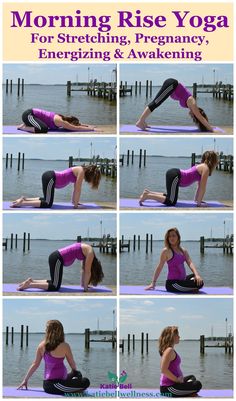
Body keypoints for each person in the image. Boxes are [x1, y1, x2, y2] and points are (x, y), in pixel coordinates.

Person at [18, 320, 90, 395]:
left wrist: (25, 380)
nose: (45, 331)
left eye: (46, 329)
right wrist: (75, 374)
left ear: (49, 331)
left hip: (57, 382)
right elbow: (72, 364)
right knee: (85, 382)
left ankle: (73, 388)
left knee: (80, 379)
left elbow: (35, 364)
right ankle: (74, 390)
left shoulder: (41, 345)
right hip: (54, 385)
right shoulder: (65, 345)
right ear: (60, 332)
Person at [139, 150, 218, 207]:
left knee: (170, 197)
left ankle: (148, 192)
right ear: (213, 161)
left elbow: (200, 186)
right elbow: (203, 188)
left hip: (174, 174)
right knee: (171, 201)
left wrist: (197, 200)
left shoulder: (203, 167)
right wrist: (199, 204)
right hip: (176, 176)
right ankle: (148, 196)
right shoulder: (206, 168)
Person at [17, 242, 104, 292]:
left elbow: (84, 270)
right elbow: (88, 271)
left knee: (54, 282)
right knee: (55, 286)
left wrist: (83, 285)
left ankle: (31, 281)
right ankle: (29, 285)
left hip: (56, 257)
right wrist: (85, 289)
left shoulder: (88, 250)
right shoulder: (90, 252)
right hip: (57, 258)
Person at [136, 78, 215, 132]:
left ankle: (143, 122)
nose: (191, 116)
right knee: (156, 103)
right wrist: (211, 129)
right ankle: (140, 121)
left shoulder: (190, 105)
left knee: (156, 102)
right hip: (172, 84)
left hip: (171, 87)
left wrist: (208, 126)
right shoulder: (192, 103)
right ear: (196, 113)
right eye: (193, 117)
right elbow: (200, 118)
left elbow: (200, 118)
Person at [11, 164, 101, 209]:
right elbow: (78, 189)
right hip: (51, 178)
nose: (92, 181)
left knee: (46, 199)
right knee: (48, 204)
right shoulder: (81, 171)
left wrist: (75, 202)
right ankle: (22, 204)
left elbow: (75, 189)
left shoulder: (80, 171)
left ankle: (25, 199)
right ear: (91, 174)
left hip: (50, 177)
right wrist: (76, 206)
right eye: (94, 179)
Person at [145, 228, 203, 293]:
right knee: (199, 284)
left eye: (173, 235)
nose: (171, 238)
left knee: (198, 280)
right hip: (173, 284)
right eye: (169, 236)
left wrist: (197, 275)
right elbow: (160, 267)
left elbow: (190, 263)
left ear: (178, 237)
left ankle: (191, 287)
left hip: (182, 281)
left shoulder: (183, 250)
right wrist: (153, 283)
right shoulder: (166, 251)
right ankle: (192, 288)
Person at [159, 326, 202, 397]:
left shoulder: (170, 350)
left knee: (192, 377)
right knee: (197, 384)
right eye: (177, 335)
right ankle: (185, 392)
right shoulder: (169, 350)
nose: (179, 337)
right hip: (168, 388)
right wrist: (177, 380)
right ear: (172, 337)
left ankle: (184, 389)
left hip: (175, 383)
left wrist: (179, 380)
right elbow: (163, 370)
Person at [18, 108, 99, 133]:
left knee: (44, 127)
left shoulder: (64, 119)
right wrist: (92, 129)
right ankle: (23, 127)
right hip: (29, 115)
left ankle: (27, 124)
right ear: (69, 123)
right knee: (43, 129)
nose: (69, 127)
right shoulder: (61, 121)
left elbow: (77, 125)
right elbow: (75, 128)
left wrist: (88, 125)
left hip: (32, 117)